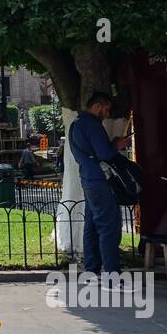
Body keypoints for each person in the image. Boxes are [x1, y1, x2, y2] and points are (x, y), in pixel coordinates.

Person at [68, 92, 130, 275]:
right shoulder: (93, 125)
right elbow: (104, 154)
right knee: (108, 226)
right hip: (101, 181)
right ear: (96, 107)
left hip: (87, 179)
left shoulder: (76, 125)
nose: (107, 114)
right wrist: (116, 145)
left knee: (92, 226)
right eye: (106, 109)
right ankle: (112, 275)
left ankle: (91, 271)